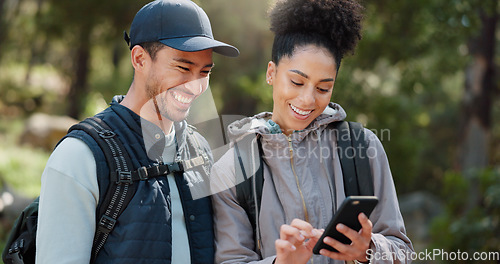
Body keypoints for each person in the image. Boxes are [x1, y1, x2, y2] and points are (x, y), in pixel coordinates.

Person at [35, 0, 238, 263]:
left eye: (204, 72)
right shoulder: (80, 156)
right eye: (183, 68)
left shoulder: (200, 151)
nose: (196, 86)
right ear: (140, 59)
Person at [211, 0, 413, 263]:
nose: (307, 100)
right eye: (297, 81)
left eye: (323, 88)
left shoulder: (365, 147)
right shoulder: (231, 170)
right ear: (271, 73)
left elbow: (403, 251)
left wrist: (369, 251)